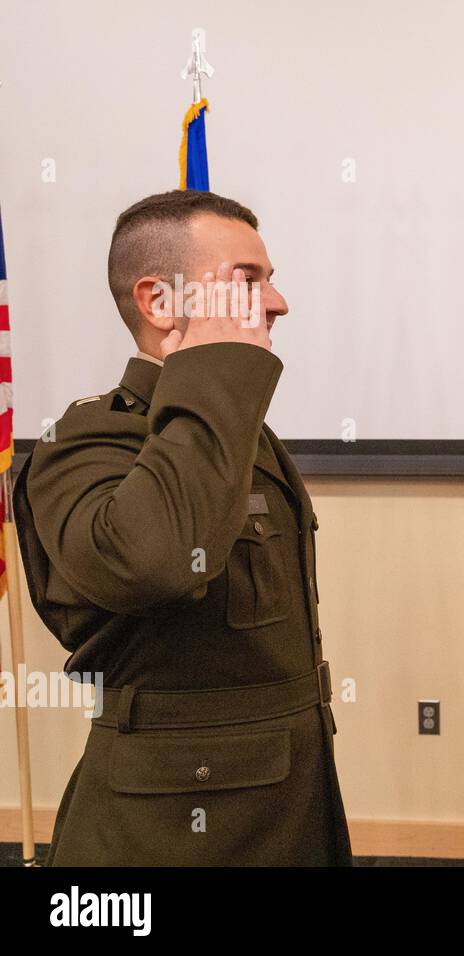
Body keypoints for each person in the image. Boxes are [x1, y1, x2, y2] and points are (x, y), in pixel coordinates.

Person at [13, 189, 351, 865]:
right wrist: (215, 371)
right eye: (248, 282)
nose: (277, 303)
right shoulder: (86, 441)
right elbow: (159, 561)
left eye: (271, 280)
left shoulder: (235, 434)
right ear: (159, 302)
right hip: (173, 828)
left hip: (287, 798)